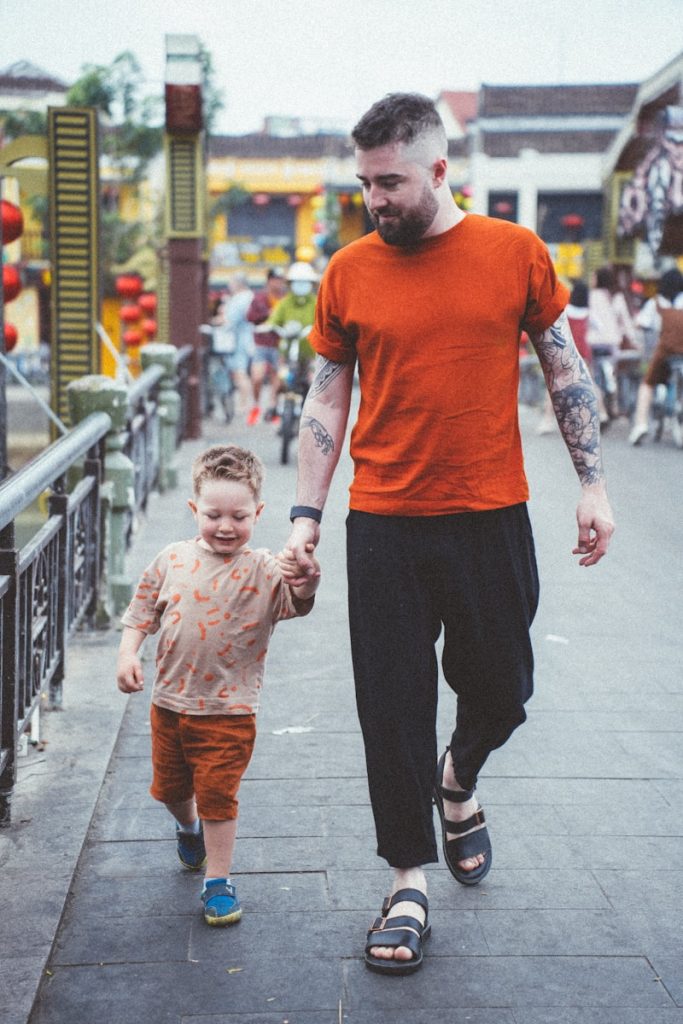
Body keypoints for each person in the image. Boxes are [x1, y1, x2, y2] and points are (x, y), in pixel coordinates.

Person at [282, 93, 615, 975]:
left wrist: (592, 484)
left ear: (438, 170)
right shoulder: (349, 269)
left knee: (502, 690)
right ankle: (406, 881)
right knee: (389, 705)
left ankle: (457, 780)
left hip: (489, 514)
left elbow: (562, 365)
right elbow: (326, 394)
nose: (373, 200)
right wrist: (305, 518)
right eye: (363, 184)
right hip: (385, 523)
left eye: (388, 182)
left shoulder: (514, 252)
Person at [116, 444, 320, 927]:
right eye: (213, 515)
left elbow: (300, 600)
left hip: (231, 710)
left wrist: (307, 579)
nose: (226, 526)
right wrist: (128, 653)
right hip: (169, 703)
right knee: (169, 789)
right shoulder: (172, 560)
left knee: (218, 795)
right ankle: (189, 831)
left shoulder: (266, 569)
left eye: (238, 516)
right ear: (194, 510)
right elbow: (142, 612)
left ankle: (218, 882)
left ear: (258, 513)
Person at [629, 267, 683, 445]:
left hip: (665, 352)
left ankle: (641, 424)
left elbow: (640, 323)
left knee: (647, 384)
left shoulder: (656, 303)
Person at [537, 280, 591, 434]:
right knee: (586, 387)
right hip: (583, 354)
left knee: (555, 385)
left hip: (565, 352)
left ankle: (547, 420)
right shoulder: (588, 313)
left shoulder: (566, 310)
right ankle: (592, 419)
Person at [587, 265, 638, 420]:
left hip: (593, 342)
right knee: (613, 374)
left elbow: (588, 320)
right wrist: (635, 341)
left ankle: (600, 407)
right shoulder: (617, 297)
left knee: (590, 374)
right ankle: (614, 406)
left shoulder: (591, 296)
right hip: (612, 343)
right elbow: (626, 323)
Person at [247, 267, 288, 424]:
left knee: (279, 378)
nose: (278, 283)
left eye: (280, 280)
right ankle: (256, 405)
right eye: (275, 280)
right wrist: (267, 316)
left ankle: (273, 408)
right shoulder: (260, 298)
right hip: (262, 343)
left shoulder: (286, 298)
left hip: (280, 344)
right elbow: (250, 317)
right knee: (257, 377)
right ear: (269, 281)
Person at [218, 274, 255, 423]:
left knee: (240, 373)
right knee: (244, 372)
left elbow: (229, 321)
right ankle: (245, 404)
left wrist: (219, 318)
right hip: (249, 339)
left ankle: (244, 404)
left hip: (239, 341)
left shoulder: (240, 299)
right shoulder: (250, 296)